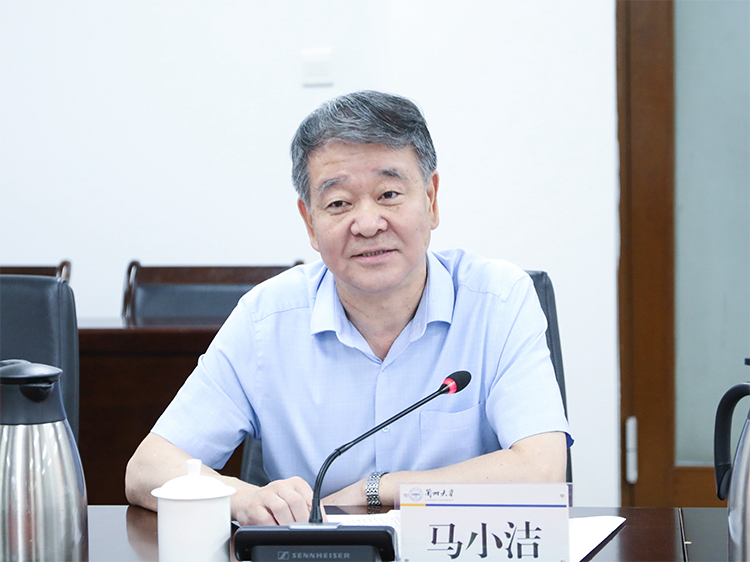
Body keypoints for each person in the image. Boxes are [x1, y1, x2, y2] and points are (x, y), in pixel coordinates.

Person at [125, 91, 572, 526]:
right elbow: (147, 469)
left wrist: (376, 490)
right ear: (310, 222)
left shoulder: (498, 301)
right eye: (339, 203)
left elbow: (543, 471)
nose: (368, 224)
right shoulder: (267, 319)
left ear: (431, 200)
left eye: (389, 194)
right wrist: (245, 499)